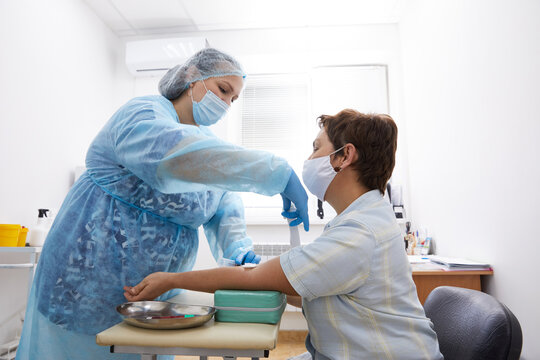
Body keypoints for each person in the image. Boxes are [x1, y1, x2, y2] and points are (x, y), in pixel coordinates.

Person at [15, 48, 309, 360]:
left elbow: (222, 199)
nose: (225, 103)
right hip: (85, 279)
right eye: (223, 90)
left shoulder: (203, 143)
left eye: (233, 99)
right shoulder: (142, 115)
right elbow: (172, 157)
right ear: (191, 77)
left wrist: (235, 245)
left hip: (155, 296)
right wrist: (276, 172)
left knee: (145, 351)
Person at [124, 109, 444, 360]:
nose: (308, 159)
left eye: (316, 148)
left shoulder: (360, 232)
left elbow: (253, 279)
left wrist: (172, 279)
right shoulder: (363, 219)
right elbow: (315, 291)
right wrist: (271, 275)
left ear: (344, 157)